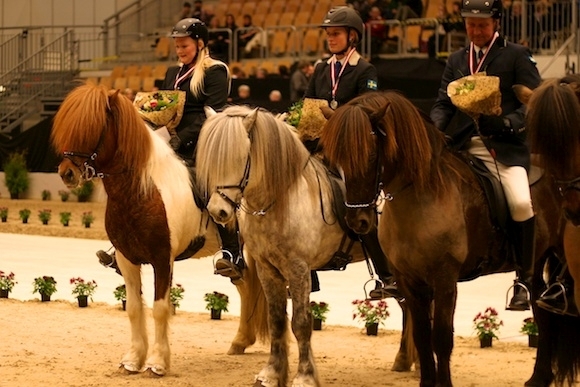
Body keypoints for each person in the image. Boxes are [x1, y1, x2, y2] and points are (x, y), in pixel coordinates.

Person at [96, 18, 246, 281]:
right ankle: (125, 244)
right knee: (138, 182)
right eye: (177, 46)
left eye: (184, 45)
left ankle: (233, 252)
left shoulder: (215, 71)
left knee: (209, 186)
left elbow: (211, 114)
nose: (180, 51)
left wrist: (180, 140)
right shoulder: (171, 73)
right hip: (171, 142)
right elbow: (164, 109)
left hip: (204, 144)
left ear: (200, 44)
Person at [429, 0, 541, 311]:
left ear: (496, 23)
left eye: (482, 25)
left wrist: (508, 123)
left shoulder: (516, 55)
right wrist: (435, 129)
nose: (475, 30)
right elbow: (443, 103)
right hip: (463, 144)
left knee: (520, 202)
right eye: (470, 24)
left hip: (504, 146)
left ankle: (525, 280)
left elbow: (533, 102)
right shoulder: (457, 59)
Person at [304, 6, 400, 300]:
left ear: (352, 36)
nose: (330, 39)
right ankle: (305, 271)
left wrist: (335, 113)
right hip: (319, 144)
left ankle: (385, 275)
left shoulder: (365, 71)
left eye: (336, 34)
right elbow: (308, 102)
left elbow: (366, 109)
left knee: (356, 194)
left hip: (350, 148)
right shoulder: (321, 68)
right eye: (328, 34)